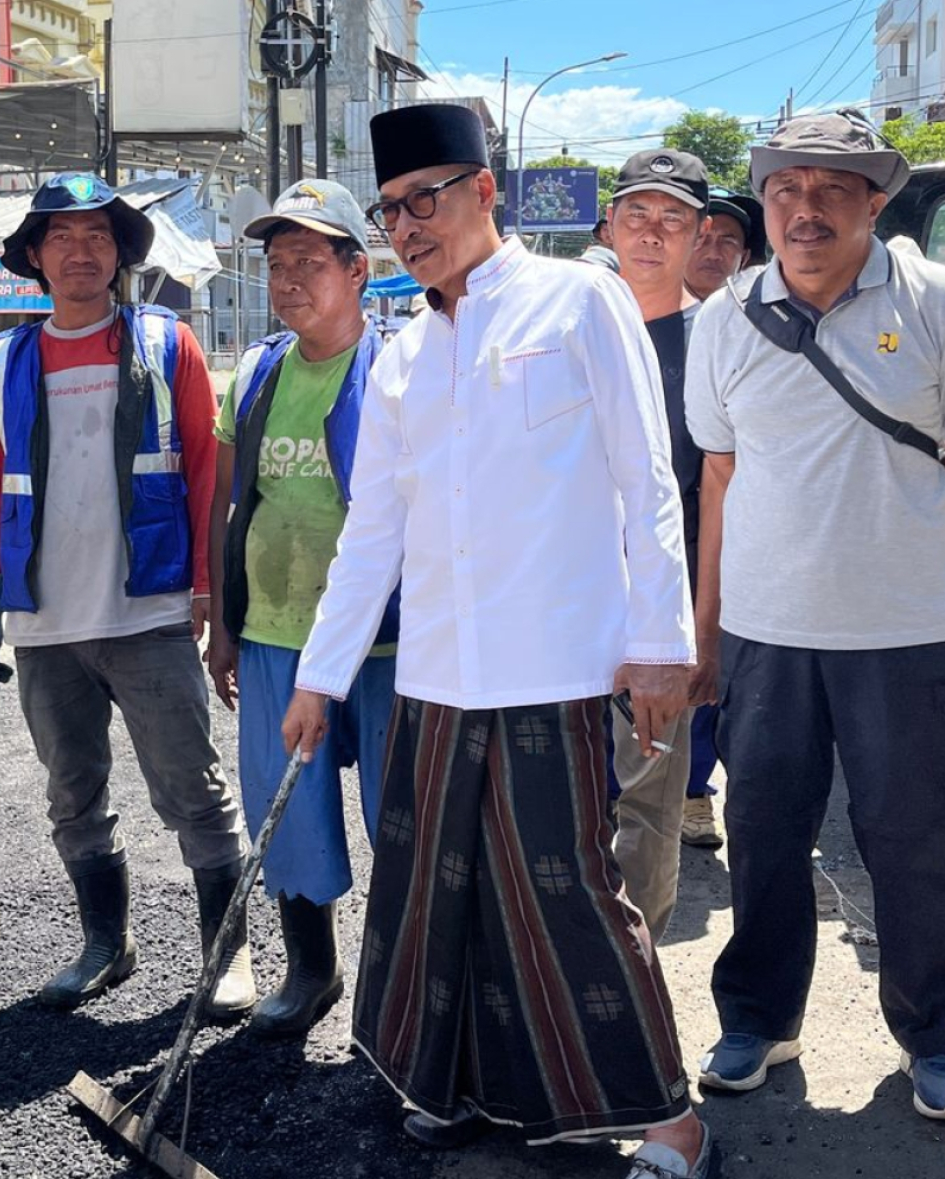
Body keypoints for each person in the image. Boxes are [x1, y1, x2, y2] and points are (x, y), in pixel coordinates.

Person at [283, 104, 713, 1179]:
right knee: (435, 895)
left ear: (486, 192)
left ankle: (671, 1122)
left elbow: (644, 479)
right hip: (436, 679)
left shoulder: (578, 299)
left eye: (424, 197)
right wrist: (317, 677)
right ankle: (453, 1088)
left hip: (558, 669)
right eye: (388, 209)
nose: (405, 225)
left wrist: (659, 643)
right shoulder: (399, 359)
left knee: (569, 897)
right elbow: (369, 535)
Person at [686, 112, 945, 1121]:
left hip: (910, 633)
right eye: (783, 188)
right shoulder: (723, 319)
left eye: (830, 188)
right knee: (762, 831)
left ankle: (930, 1034)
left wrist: (886, 543)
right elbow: (717, 481)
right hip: (766, 634)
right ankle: (757, 1022)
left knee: (910, 840)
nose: (803, 207)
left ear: (871, 199)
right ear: (763, 202)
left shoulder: (940, 304)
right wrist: (703, 631)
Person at [0, 173, 253, 1016]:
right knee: (72, 791)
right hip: (47, 621)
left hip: (151, 611)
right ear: (35, 258)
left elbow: (207, 472)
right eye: (61, 237)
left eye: (97, 235)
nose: (80, 250)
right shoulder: (5, 362)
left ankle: (224, 958)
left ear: (120, 254)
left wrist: (208, 585)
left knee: (193, 788)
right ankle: (104, 942)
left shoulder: (167, 347)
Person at [208, 179, 398, 1037]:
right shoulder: (253, 375)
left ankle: (401, 989)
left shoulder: (400, 370)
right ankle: (312, 971)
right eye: (277, 264)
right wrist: (222, 620)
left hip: (388, 642)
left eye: (309, 262)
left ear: (358, 270)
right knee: (288, 813)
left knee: (401, 815)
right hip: (275, 632)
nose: (288, 280)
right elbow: (227, 501)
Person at [604, 148, 710, 941]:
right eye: (637, 214)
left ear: (699, 234)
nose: (652, 232)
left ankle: (633, 1002)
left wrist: (697, 632)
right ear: (610, 222)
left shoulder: (719, 341)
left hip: (660, 623)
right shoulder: (573, 324)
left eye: (673, 218)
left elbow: (723, 493)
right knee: (555, 810)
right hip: (565, 613)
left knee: (646, 809)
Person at [678, 188, 765, 850]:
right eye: (701, 235)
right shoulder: (636, 319)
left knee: (717, 668)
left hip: (743, 536)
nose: (711, 248)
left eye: (726, 241)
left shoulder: (765, 331)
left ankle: (696, 790)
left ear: (747, 257)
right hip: (660, 534)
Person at [683, 191, 765, 303]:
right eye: (702, 238)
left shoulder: (762, 317)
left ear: (744, 258)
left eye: (728, 242)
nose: (713, 254)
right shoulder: (653, 310)